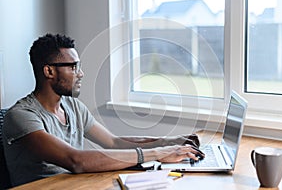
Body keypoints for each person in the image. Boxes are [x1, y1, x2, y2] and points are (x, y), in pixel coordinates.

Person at [2, 33, 204, 187]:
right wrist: (158, 153)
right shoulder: (21, 116)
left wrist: (171, 142)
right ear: (49, 71)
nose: (80, 74)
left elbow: (114, 142)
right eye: (73, 67)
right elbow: (76, 160)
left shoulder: (73, 106)